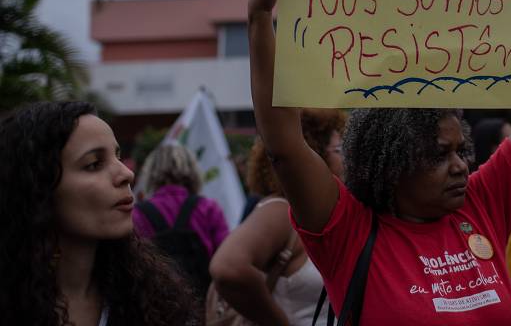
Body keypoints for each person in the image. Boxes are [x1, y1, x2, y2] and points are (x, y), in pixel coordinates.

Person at [246, 0, 511, 324]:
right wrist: (260, 16)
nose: (461, 166)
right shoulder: (348, 231)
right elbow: (285, 144)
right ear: (391, 167)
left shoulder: (480, 205)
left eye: (460, 150)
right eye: (439, 155)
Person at [0, 101, 200, 325]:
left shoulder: (155, 303)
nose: (127, 174)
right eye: (94, 164)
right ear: (38, 190)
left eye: (118, 157)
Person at [208, 108, 346, 326]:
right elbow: (228, 268)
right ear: (314, 154)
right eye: (338, 149)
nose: (345, 159)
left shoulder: (328, 212)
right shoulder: (281, 210)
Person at [133, 144, 230, 294]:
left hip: (157, 299)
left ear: (150, 173)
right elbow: (226, 260)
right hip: (203, 297)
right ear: (193, 171)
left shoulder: (138, 213)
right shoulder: (208, 208)